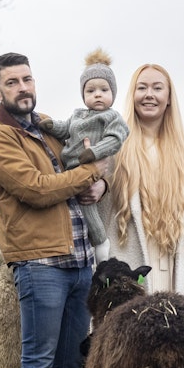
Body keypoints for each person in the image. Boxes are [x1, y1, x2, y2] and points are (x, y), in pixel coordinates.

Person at [0, 52, 110, 368]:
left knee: (69, 361)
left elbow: (90, 161)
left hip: (80, 259)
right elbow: (36, 189)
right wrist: (89, 174)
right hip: (39, 263)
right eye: (12, 82)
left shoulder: (51, 128)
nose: (23, 88)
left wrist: (101, 182)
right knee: (38, 360)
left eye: (27, 79)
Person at [97, 63, 184, 307]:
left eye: (158, 88)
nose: (149, 95)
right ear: (132, 96)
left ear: (169, 98)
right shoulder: (114, 148)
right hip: (132, 260)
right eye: (142, 88)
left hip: (181, 262)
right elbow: (99, 212)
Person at [40, 48, 129, 261]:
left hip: (90, 171)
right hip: (69, 170)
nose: (97, 94)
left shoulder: (112, 117)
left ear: (113, 94)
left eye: (103, 90)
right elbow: (64, 129)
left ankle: (101, 250)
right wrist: (51, 125)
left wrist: (94, 152)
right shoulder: (77, 115)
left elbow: (115, 140)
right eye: (90, 91)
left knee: (88, 209)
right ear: (83, 95)